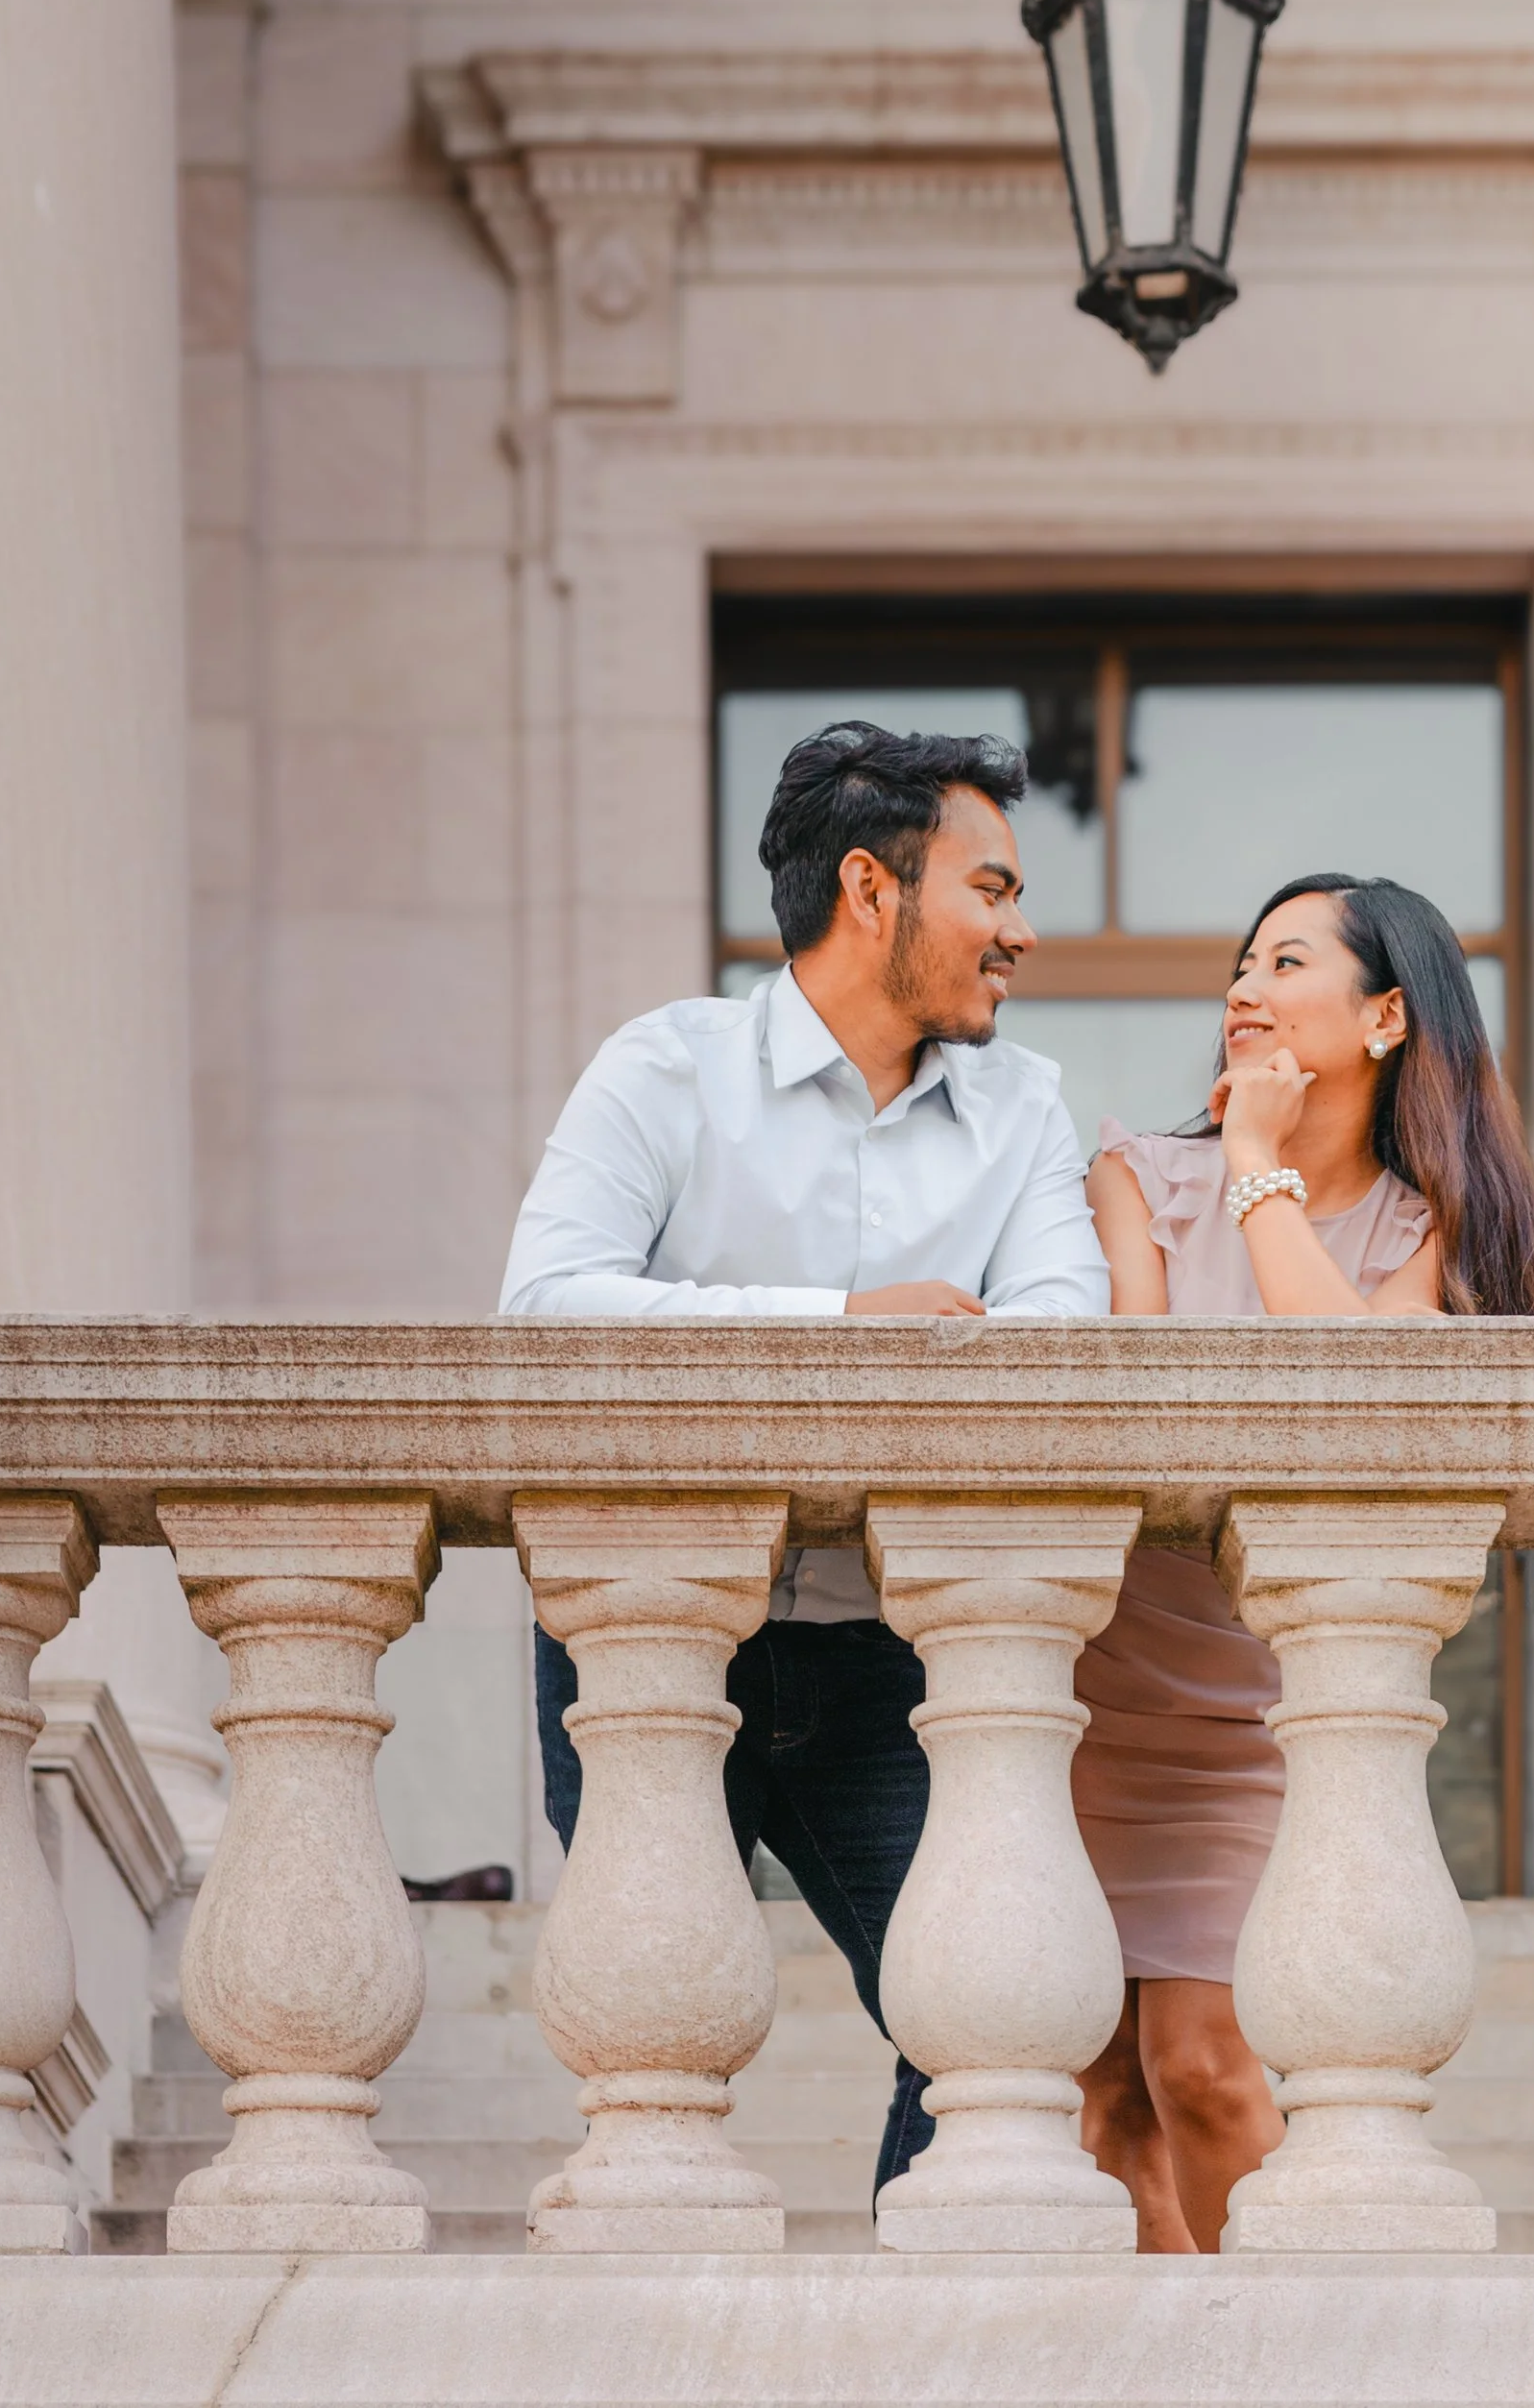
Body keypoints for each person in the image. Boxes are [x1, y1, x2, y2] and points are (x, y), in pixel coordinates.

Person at [499, 719, 1109, 2196]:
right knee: (651, 2045)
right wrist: (851, 1326)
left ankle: (914, 2329)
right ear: (871, 889)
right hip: (650, 1642)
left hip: (894, 1659)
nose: (1020, 933)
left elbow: (1054, 1344)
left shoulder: (1023, 1108)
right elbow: (547, 1306)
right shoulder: (663, 1070)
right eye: (995, 889)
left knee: (993, 2031)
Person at [1072, 870, 1534, 2252]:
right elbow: (1151, 1412)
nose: (1245, 987)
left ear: (1388, 1014)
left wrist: (1254, 1168)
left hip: (1260, 1714)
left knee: (1208, 2069)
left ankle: (1286, 2352)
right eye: (1241, 963)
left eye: (1286, 963)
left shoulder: (1422, 1229)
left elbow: (1346, 1397)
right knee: (1103, 2091)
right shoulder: (1133, 1175)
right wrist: (1225, 1169)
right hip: (1093, 1693)